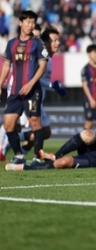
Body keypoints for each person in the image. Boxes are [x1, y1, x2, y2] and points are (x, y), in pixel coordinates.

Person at [0, 10, 48, 164]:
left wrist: (30, 84)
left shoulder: (37, 43)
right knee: (8, 124)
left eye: (33, 22)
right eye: (28, 22)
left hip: (32, 91)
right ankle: (19, 155)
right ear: (20, 23)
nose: (30, 25)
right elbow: (6, 66)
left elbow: (42, 66)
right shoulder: (11, 43)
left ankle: (37, 157)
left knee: (35, 122)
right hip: (15, 91)